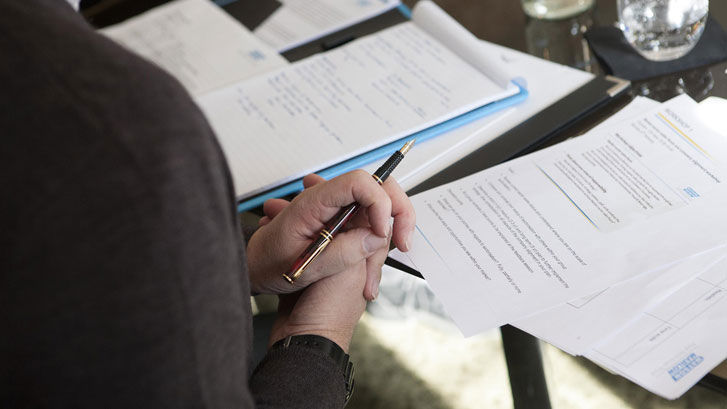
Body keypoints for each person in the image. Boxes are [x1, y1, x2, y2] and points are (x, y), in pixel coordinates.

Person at [0, 1, 416, 408]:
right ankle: (399, 298)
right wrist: (318, 336)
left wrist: (246, 256)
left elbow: (69, 261)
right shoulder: (129, 131)